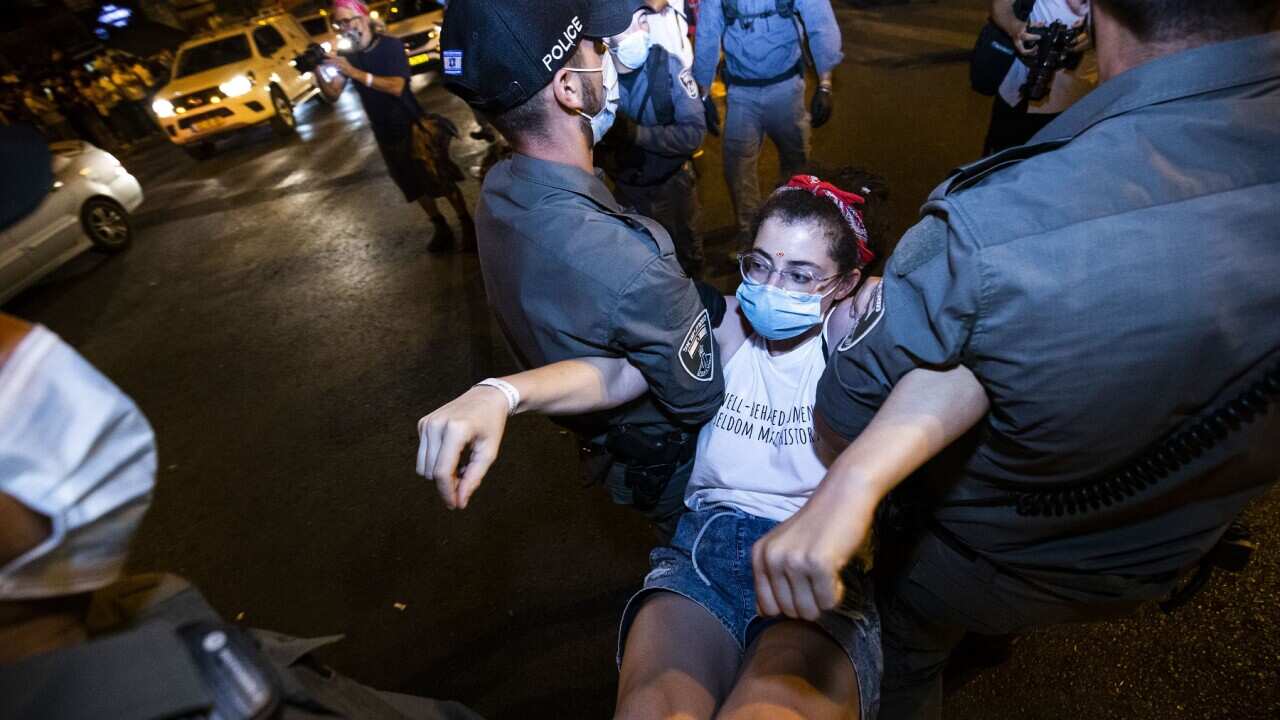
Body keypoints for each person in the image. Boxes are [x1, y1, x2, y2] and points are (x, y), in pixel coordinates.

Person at [742, 1, 1280, 717]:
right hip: (1159, 556)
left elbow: (844, 420)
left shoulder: (991, 228)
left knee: (899, 651)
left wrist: (855, 471)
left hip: (974, 561)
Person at [417, 171, 886, 719]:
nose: (772, 287)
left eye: (801, 275)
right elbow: (619, 376)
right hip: (701, 550)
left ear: (845, 284)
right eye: (760, 264)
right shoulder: (729, 323)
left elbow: (899, 305)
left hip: (811, 562)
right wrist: (501, 393)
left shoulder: (847, 338)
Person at [433, 0, 725, 537]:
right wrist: (684, 321)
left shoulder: (499, 191)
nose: (609, 53)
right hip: (680, 474)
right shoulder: (635, 262)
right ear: (569, 88)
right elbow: (698, 397)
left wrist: (507, 392)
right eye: (597, 46)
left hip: (607, 454)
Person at [319, 0, 476, 253]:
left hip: (412, 125)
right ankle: (440, 226)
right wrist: (319, 69)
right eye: (337, 23)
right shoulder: (348, 56)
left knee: (440, 178)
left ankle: (466, 223)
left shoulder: (390, 46)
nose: (342, 28)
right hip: (384, 133)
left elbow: (396, 86)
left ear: (364, 17)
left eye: (346, 20)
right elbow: (333, 94)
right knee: (411, 185)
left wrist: (354, 72)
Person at [693, 0, 843, 236]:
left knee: (796, 168)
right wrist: (703, 90)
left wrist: (825, 84)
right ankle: (751, 237)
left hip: (786, 89)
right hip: (742, 95)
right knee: (738, 171)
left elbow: (820, 22)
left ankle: (791, 231)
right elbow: (708, 32)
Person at [599, 2, 707, 277]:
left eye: (644, 21)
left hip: (673, 185)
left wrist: (637, 134)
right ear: (606, 35)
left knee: (688, 257)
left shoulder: (669, 65)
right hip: (628, 193)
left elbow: (694, 133)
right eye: (630, 23)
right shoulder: (595, 80)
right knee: (646, 268)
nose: (642, 30)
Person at [983, 0, 1095, 154]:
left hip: (1080, 95)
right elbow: (1001, 6)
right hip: (1019, 86)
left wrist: (1099, 32)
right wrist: (1015, 28)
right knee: (999, 158)